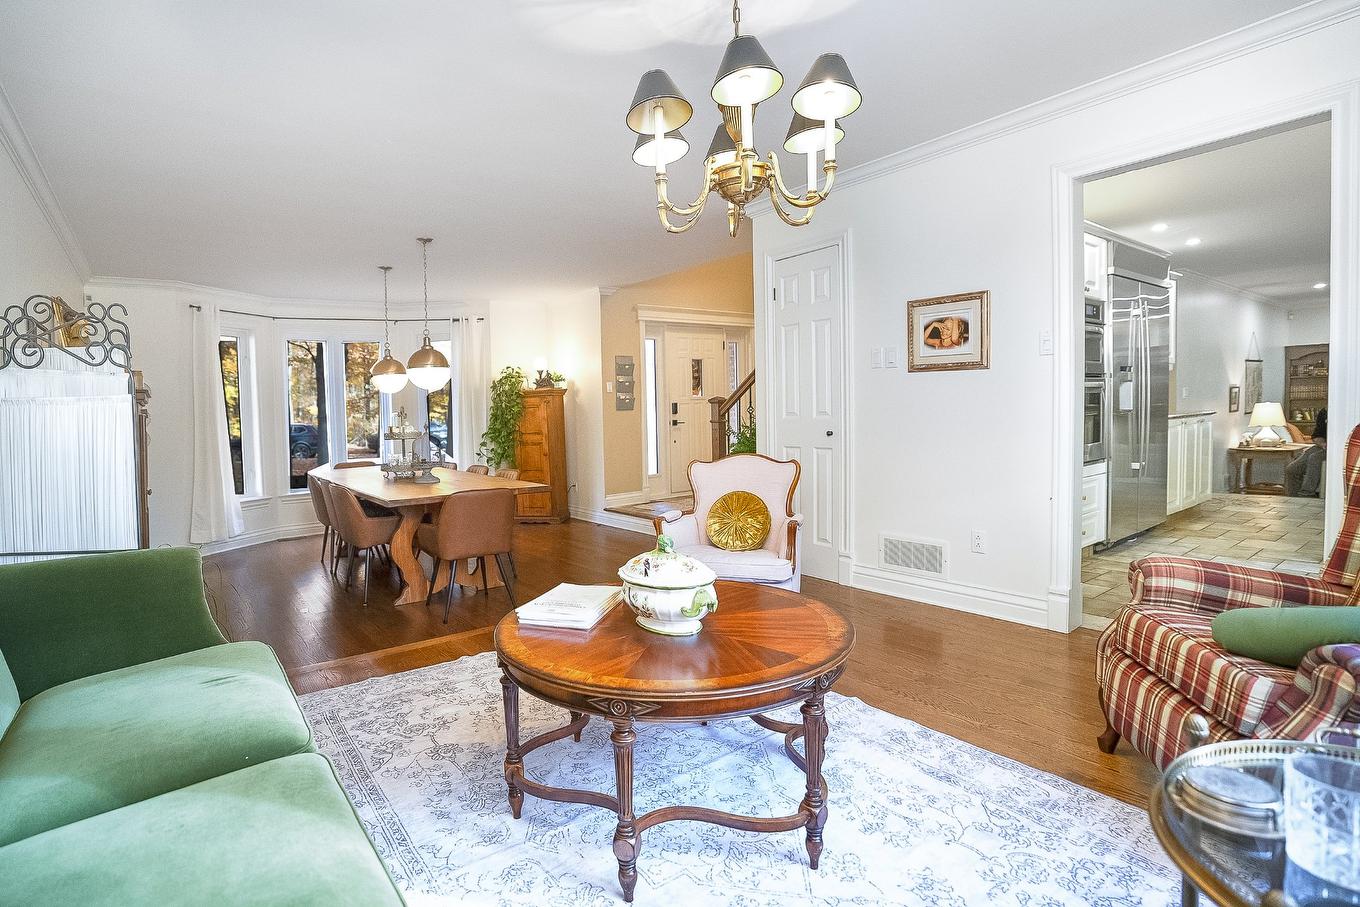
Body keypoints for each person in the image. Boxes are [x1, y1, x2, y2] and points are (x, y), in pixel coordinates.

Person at [1285, 407, 1327, 497]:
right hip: (1322, 445)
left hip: (1337, 448)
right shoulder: (1324, 412)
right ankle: (1294, 499)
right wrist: (1323, 444)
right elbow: (1317, 436)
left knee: (1315, 458)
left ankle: (1307, 494)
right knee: (1292, 470)